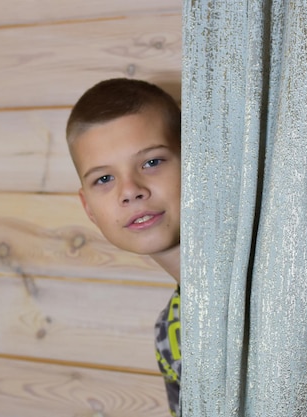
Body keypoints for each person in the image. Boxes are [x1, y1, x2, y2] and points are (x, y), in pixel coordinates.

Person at [66, 78, 182, 417]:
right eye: (104, 179)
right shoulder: (170, 333)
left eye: (152, 162)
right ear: (88, 208)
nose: (130, 191)